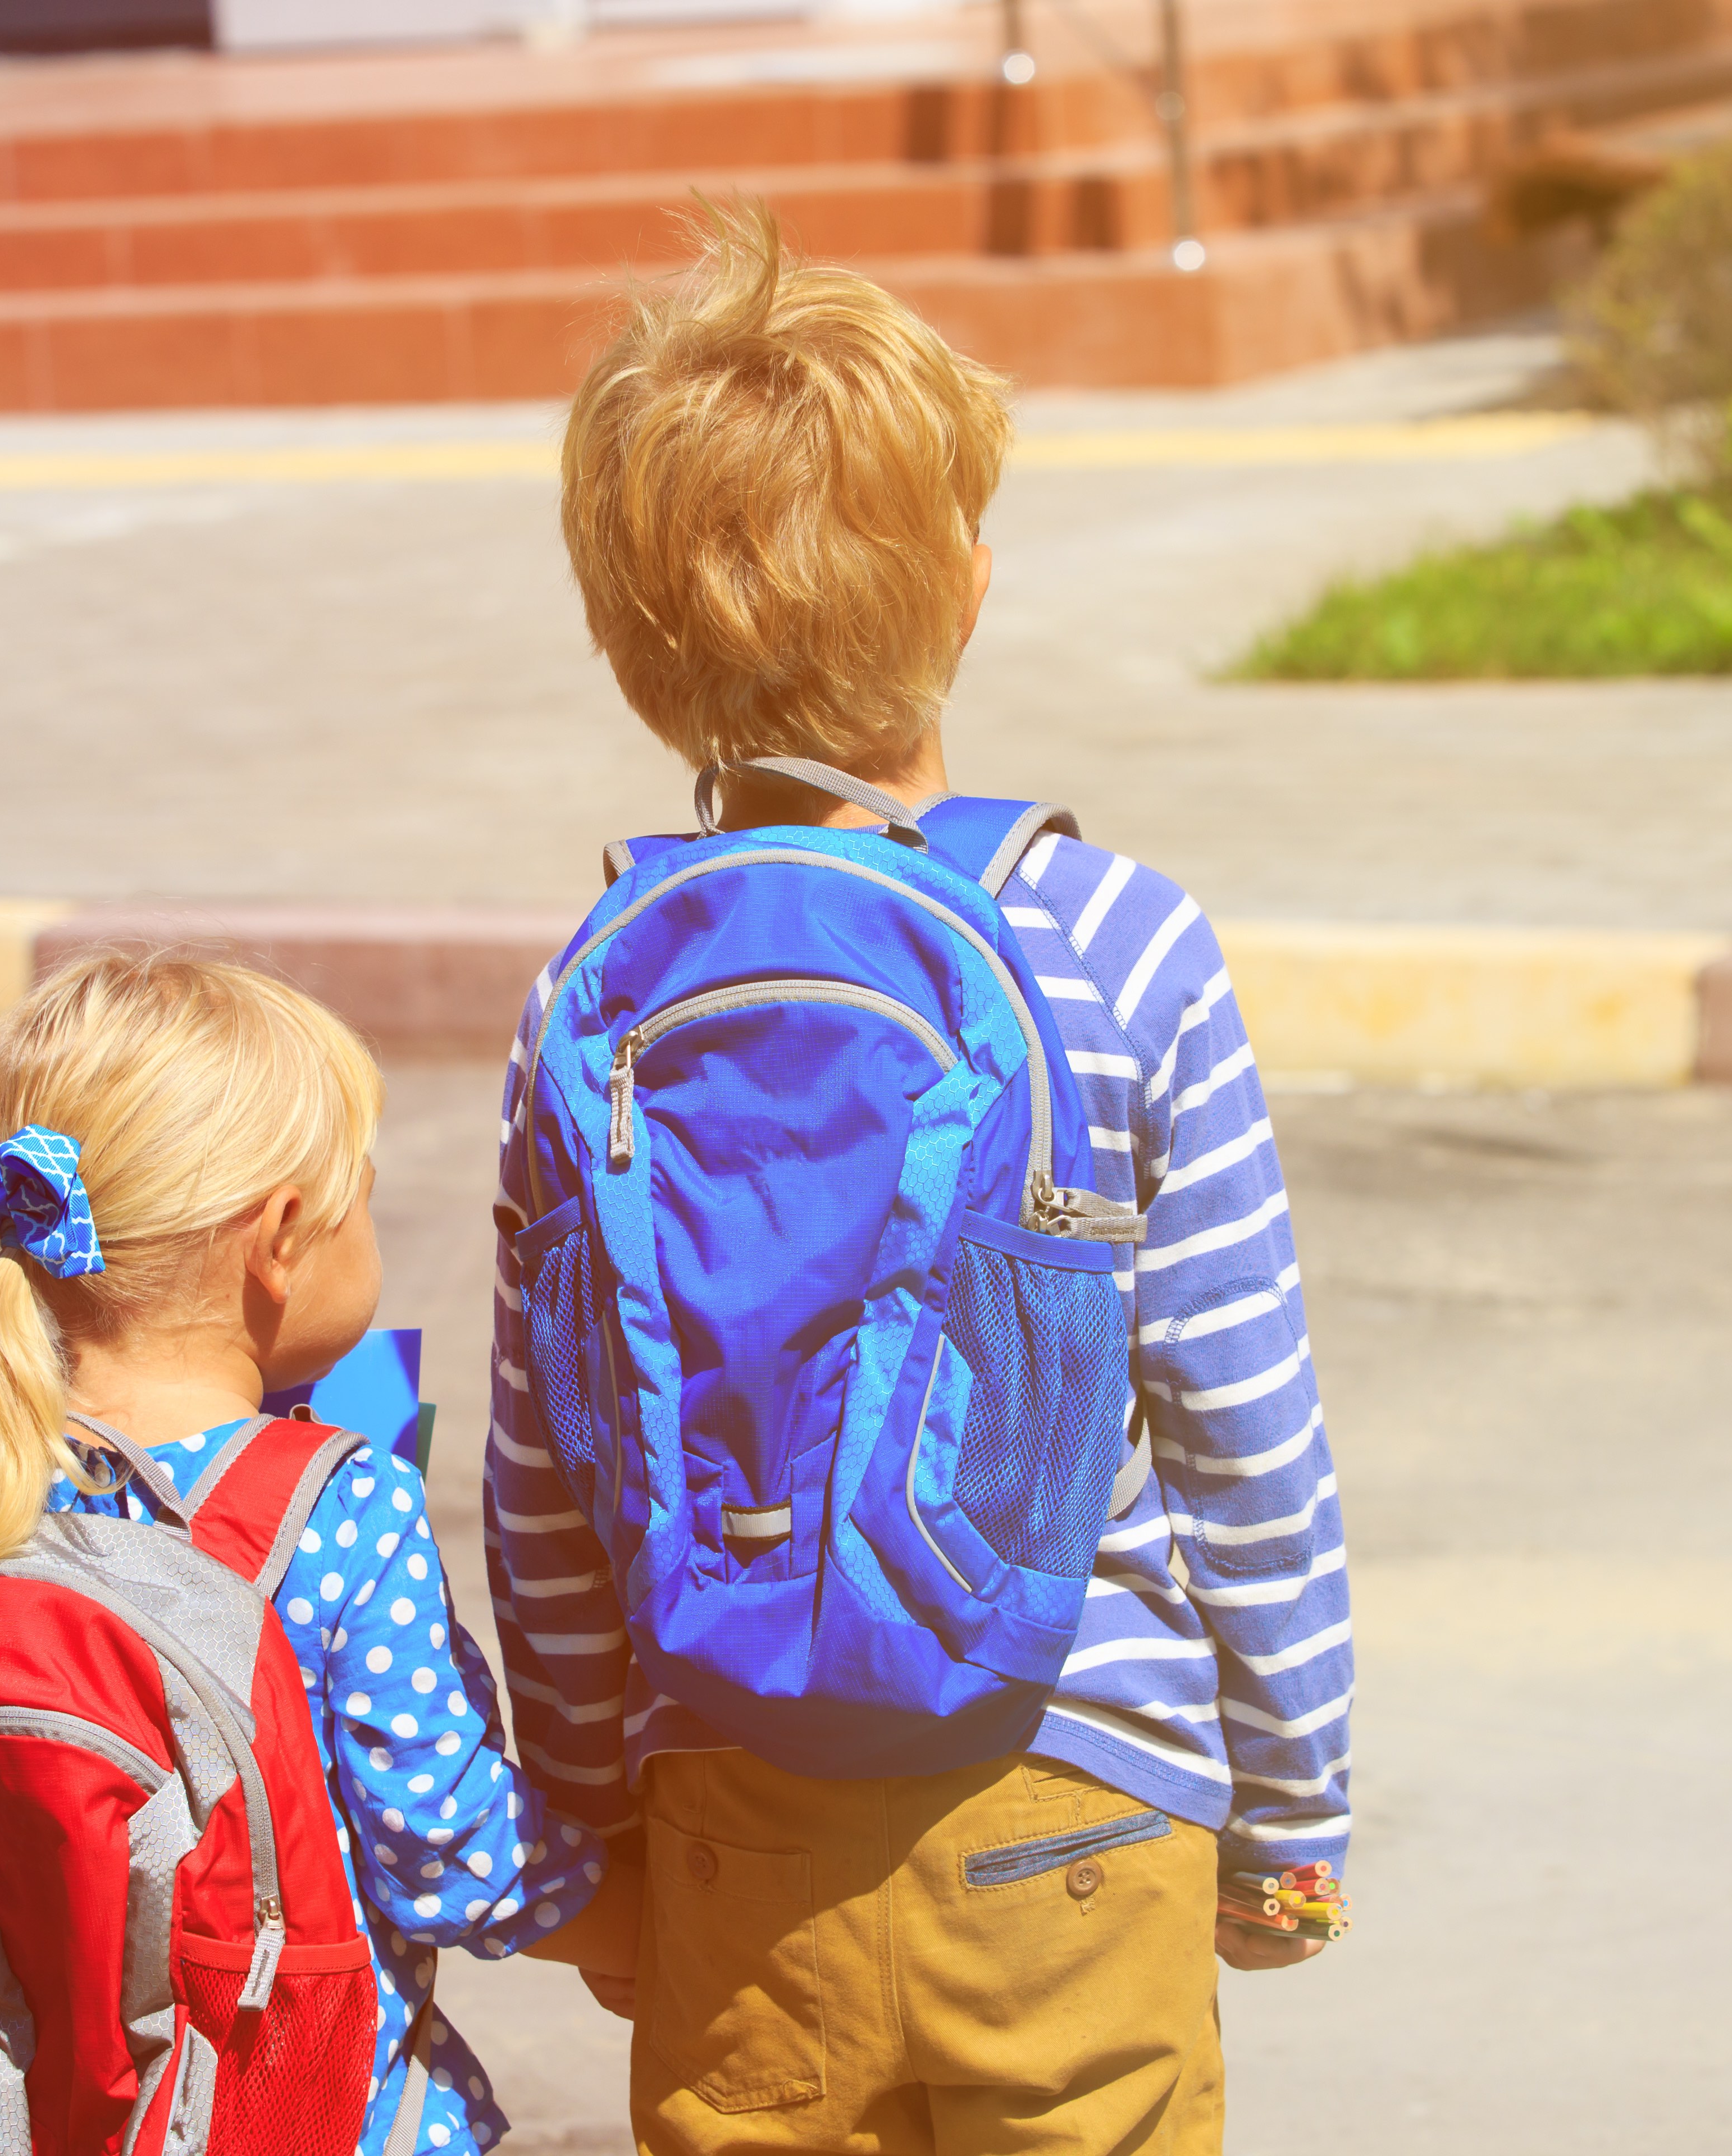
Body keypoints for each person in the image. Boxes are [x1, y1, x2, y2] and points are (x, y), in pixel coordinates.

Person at [481, 202, 1356, 2155]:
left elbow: (547, 1472)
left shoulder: (594, 999)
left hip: (731, 1827)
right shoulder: (1122, 944)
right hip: (1084, 1804)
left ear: (638, 657)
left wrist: (587, 1837)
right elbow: (1242, 1431)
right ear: (967, 589)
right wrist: (1290, 1811)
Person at [0, 953, 637, 2155]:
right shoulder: (334, 1507)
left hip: (25, 2114)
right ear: (279, 1239)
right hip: (323, 2119)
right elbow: (442, 1849)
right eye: (360, 1198)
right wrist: (632, 1916)